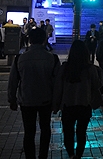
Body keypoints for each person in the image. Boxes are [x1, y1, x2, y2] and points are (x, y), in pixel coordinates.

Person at [8, 28, 60, 159]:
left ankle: (30, 157)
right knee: (45, 129)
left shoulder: (20, 58)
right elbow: (57, 83)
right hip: (46, 99)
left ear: (29, 40)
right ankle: (43, 155)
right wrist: (57, 102)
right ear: (44, 39)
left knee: (29, 132)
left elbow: (13, 81)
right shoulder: (52, 58)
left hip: (27, 100)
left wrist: (12, 100)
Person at [52, 40, 102, 159]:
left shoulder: (65, 68)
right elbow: (97, 85)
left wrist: (55, 105)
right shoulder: (90, 69)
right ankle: (78, 155)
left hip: (67, 106)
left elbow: (58, 88)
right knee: (81, 132)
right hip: (84, 105)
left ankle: (71, 155)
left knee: (68, 132)